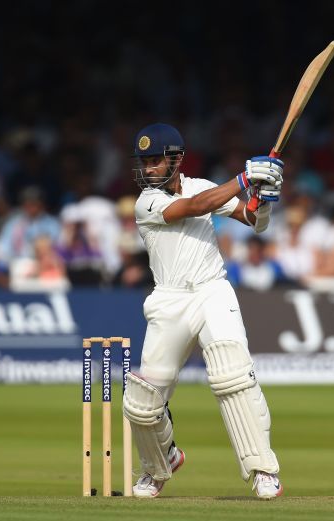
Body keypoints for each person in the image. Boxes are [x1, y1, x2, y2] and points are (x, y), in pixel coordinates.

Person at [122, 123, 284, 499]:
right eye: (143, 162)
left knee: (232, 376)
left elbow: (251, 220)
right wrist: (245, 177)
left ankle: (263, 470)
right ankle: (160, 464)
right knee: (144, 401)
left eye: (155, 161)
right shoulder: (147, 202)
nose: (148, 169)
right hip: (169, 300)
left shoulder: (202, 185)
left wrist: (261, 202)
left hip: (212, 291)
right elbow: (196, 208)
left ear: (176, 159)